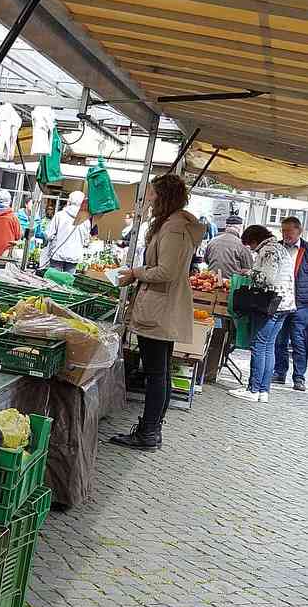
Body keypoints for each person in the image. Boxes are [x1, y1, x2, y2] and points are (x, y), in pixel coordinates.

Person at [111, 174, 205, 451]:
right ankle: (151, 430)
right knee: (159, 372)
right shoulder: (175, 225)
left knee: (156, 373)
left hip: (159, 308)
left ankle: (148, 432)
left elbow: (167, 271)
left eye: (152, 194)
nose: (149, 199)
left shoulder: (174, 228)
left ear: (163, 197)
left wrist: (135, 273)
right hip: (164, 306)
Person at [230, 224, 297, 402]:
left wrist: (249, 272)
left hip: (269, 305)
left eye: (250, 245)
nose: (251, 249)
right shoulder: (281, 248)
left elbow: (267, 278)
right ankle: (263, 390)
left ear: (254, 240)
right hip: (285, 304)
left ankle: (253, 389)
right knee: (268, 346)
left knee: (259, 345)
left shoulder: (267, 250)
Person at [271, 217, 308, 391]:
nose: (285, 234)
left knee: (299, 340)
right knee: (280, 339)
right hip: (281, 301)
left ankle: (299, 377)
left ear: (299, 231)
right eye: (283, 231)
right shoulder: (277, 248)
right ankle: (279, 372)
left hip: (301, 303)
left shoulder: (306, 249)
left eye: (289, 231)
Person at [43, 191, 90, 273]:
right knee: (67, 282)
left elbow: (48, 234)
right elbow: (86, 241)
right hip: (74, 255)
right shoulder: (86, 220)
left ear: (70, 200)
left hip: (57, 254)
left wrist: (55, 239)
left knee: (53, 281)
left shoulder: (59, 215)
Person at [204, 215, 253, 279]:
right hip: (231, 285)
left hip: (211, 282)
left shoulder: (212, 241)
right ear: (240, 228)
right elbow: (248, 268)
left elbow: (207, 260)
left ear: (226, 226)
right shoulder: (242, 245)